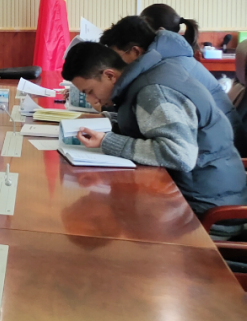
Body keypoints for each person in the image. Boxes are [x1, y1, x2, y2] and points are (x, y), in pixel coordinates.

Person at [61, 42, 247, 220]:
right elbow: (147, 122)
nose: (91, 99)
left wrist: (107, 142)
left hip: (206, 208)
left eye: (89, 91)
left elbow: (179, 155)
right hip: (201, 193)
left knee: (113, 212)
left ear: (109, 75)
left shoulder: (153, 92)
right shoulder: (147, 76)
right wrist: (108, 122)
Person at [100, 16, 245, 154]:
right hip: (212, 148)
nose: (114, 66)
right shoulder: (166, 59)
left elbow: (177, 151)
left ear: (135, 52)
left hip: (219, 153)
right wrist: (109, 118)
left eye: (116, 59)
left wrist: (110, 140)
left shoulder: (163, 74)